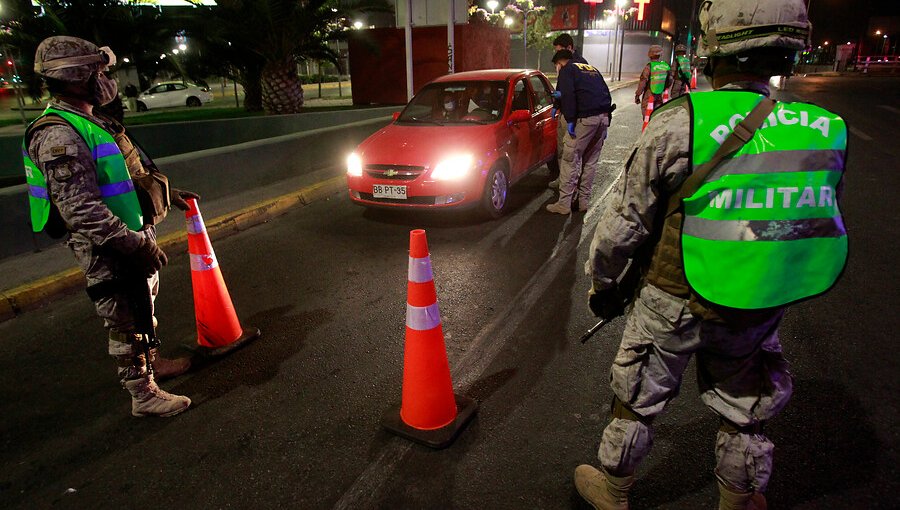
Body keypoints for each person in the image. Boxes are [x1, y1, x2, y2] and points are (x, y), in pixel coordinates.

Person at [576, 0, 847, 508]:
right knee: (745, 408)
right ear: (787, 53)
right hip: (756, 301)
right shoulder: (822, 127)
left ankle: (613, 492)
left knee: (636, 397)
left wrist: (604, 286)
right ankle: (739, 499)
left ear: (712, 49)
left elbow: (623, 225)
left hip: (671, 299)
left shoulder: (684, 121)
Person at [24, 36, 200, 418]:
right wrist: (134, 245)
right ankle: (143, 393)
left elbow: (124, 173)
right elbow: (82, 210)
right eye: (99, 71)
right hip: (108, 246)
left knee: (142, 306)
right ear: (76, 76)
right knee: (124, 317)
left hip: (130, 233)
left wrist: (167, 195)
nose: (106, 78)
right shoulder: (58, 135)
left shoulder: (90, 117)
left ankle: (152, 364)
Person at [545, 49, 612, 215]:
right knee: (590, 162)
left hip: (585, 120)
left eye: (556, 66)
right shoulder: (591, 69)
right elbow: (604, 93)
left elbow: (569, 96)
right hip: (603, 117)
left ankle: (564, 204)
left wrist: (570, 120)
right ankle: (583, 202)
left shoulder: (568, 69)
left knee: (570, 159)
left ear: (561, 62)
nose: (557, 69)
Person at [548, 33, 589, 189]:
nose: (557, 55)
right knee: (562, 149)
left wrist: (571, 119)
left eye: (560, 51)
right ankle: (563, 179)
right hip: (565, 111)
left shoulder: (577, 64)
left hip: (575, 115)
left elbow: (575, 94)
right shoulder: (566, 64)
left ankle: (570, 186)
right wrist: (556, 105)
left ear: (569, 48)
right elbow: (562, 88)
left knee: (571, 153)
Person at [634, 44, 671, 114]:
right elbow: (670, 80)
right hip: (659, 94)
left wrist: (638, 94)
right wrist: (663, 87)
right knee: (657, 113)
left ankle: (648, 125)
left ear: (650, 55)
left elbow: (643, 82)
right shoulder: (664, 66)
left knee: (647, 112)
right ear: (660, 55)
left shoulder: (649, 67)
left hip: (649, 94)